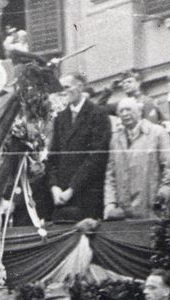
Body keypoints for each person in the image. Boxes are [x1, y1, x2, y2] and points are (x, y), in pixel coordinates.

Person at [47, 72, 111, 221]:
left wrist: (72, 189)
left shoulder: (98, 115)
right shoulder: (61, 118)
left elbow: (96, 158)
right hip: (61, 198)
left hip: (86, 196)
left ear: (80, 87)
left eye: (66, 87)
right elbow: (53, 157)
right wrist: (54, 187)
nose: (63, 91)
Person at [104, 97, 170, 220]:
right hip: (124, 211)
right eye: (121, 111)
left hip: (151, 208)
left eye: (128, 109)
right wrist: (110, 204)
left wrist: (161, 198)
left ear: (139, 112)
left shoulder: (157, 133)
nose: (125, 114)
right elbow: (110, 174)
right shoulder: (116, 139)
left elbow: (169, 169)